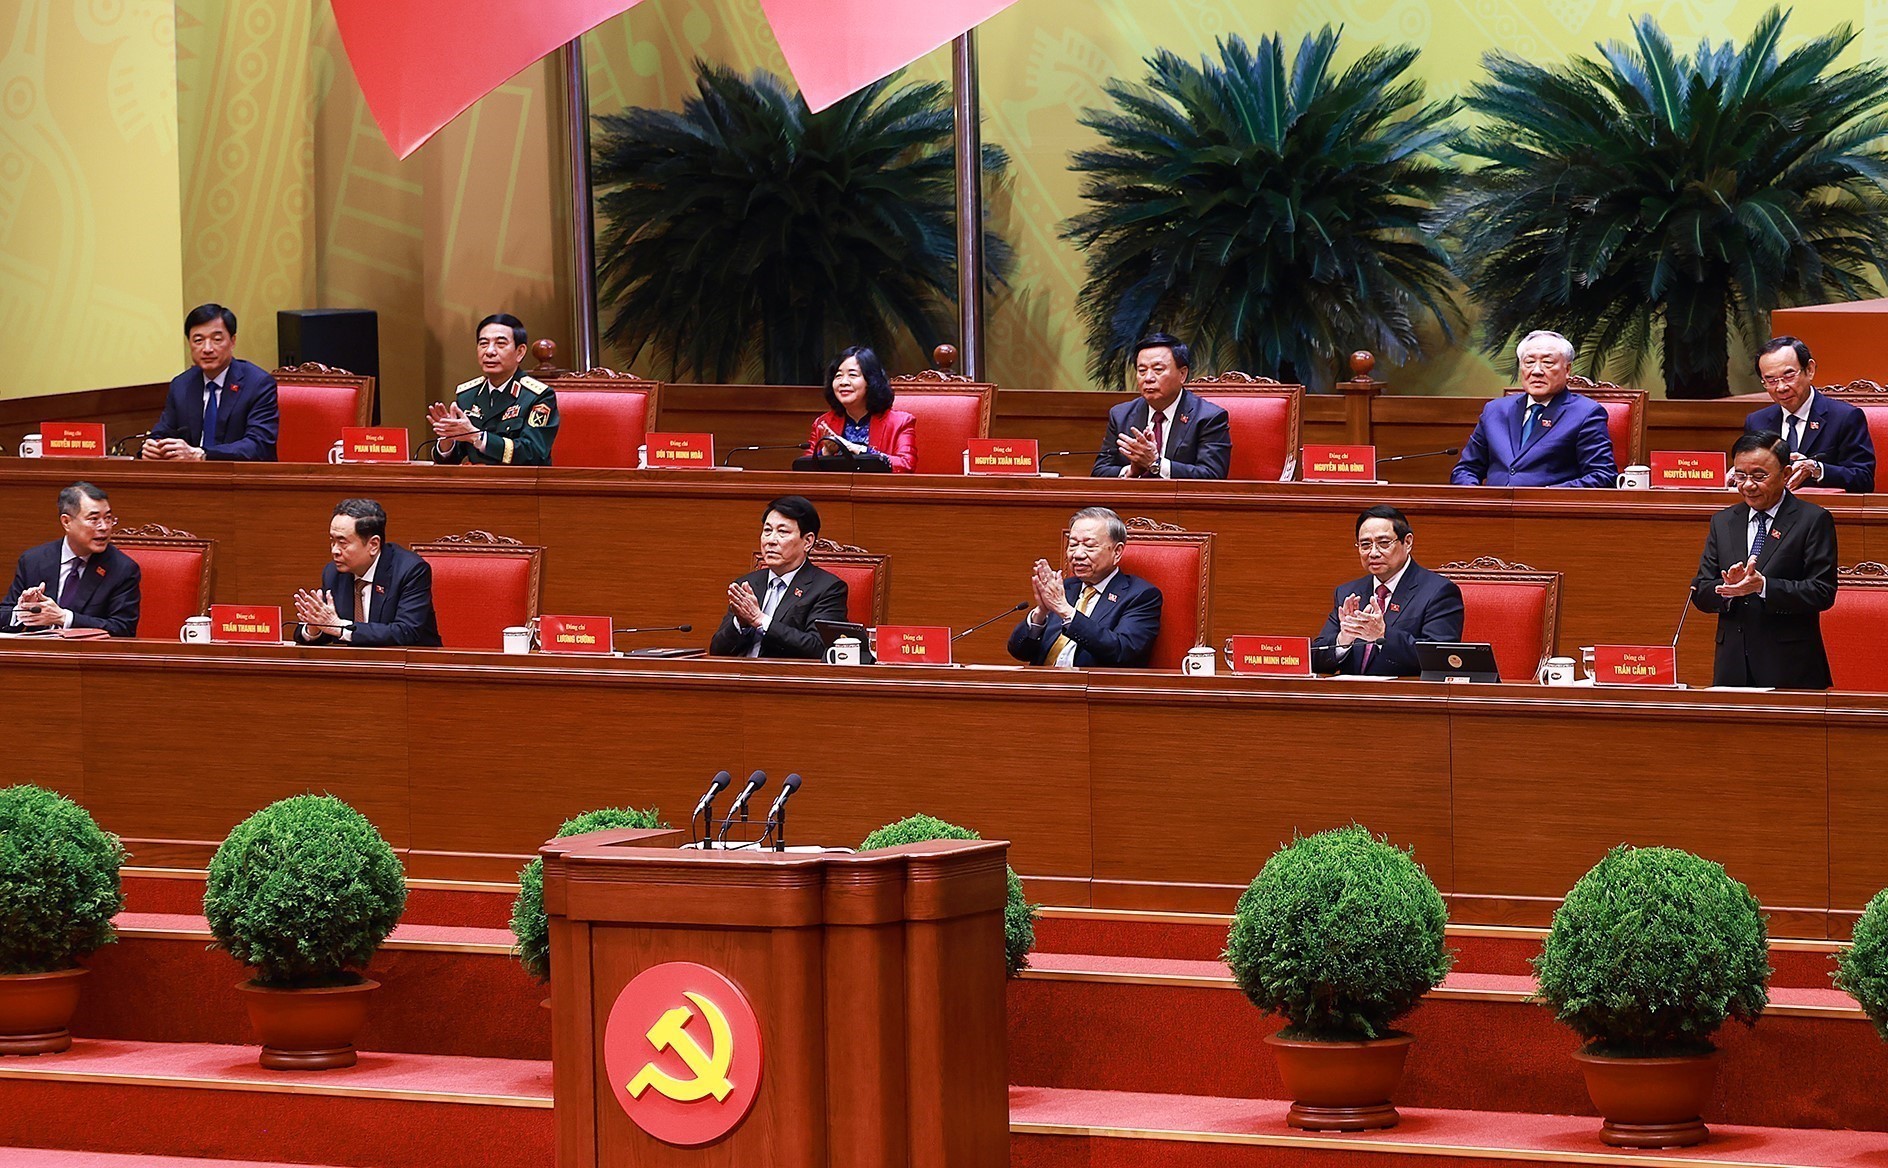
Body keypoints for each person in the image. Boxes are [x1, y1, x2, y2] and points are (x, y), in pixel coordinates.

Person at [1688, 432, 1837, 689]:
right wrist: (1726, 591)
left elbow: (1822, 591)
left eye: (1759, 476)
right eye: (1740, 476)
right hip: (1731, 667)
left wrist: (1763, 586)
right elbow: (1701, 590)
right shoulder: (1723, 521)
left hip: (1790, 666)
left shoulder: (1812, 520)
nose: (1747, 485)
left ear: (1786, 473)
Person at [1311, 504, 1464, 676]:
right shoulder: (1348, 592)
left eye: (1384, 543)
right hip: (1351, 696)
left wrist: (1383, 635)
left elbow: (1441, 659)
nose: (1373, 553)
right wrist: (1343, 640)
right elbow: (1315, 660)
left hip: (1406, 697)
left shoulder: (1439, 592)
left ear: (1407, 542)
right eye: (1365, 545)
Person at [1451, 330, 1616, 488]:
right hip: (1492, 510)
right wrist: (1475, 497)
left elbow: (1602, 475)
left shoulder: (1586, 413)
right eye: (1529, 362)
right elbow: (1466, 469)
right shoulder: (1495, 411)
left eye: (1547, 363)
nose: (1536, 371)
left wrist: (1544, 496)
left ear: (1567, 370)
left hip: (1546, 511)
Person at [1009, 506, 1163, 667]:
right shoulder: (1064, 589)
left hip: (1094, 688)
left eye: (1089, 546)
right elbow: (1018, 651)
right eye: (1073, 545)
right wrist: (1040, 614)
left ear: (1117, 552)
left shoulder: (1140, 596)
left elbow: (1123, 651)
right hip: (1042, 686)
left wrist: (1066, 611)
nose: (1077, 554)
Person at [709, 496, 849, 659]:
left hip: (787, 680)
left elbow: (818, 648)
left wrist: (760, 620)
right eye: (767, 531)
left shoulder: (828, 588)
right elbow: (717, 652)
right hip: (740, 678)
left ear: (808, 541)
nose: (771, 541)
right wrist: (740, 624)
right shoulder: (748, 584)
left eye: (782, 532)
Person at [293, 499, 442, 647]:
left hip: (411, 665)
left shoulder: (410, 570)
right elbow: (330, 628)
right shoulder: (334, 573)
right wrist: (314, 627)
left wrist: (340, 627)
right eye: (332, 541)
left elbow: (405, 631)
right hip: (354, 667)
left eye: (342, 543)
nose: (334, 551)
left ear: (373, 545)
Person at [0, 482, 141, 637]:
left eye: (108, 518)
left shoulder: (122, 569)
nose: (104, 527)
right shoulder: (33, 561)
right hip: (38, 655)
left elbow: (123, 628)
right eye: (94, 519)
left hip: (88, 657)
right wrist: (22, 611)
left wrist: (64, 618)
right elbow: (4, 615)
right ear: (66, 522)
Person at [144, 304, 279, 461]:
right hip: (192, 480)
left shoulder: (258, 384)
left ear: (232, 341)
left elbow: (258, 445)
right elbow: (163, 431)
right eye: (198, 340)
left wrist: (202, 455)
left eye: (216, 339)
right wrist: (152, 446)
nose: (207, 349)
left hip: (244, 479)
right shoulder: (181, 385)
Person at [1742, 336, 1876, 493]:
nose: (1781, 387)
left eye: (1789, 375)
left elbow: (1864, 479)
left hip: (1821, 512)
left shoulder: (1845, 417)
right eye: (1771, 380)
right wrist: (1740, 474)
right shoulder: (1757, 422)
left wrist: (1817, 469)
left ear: (1810, 370)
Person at [1091, 333, 1231, 479]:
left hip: (1181, 500)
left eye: (1158, 370)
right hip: (1132, 499)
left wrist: (1155, 464)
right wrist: (1131, 472)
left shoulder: (1208, 417)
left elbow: (1213, 475)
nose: (1148, 378)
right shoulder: (1121, 415)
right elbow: (1099, 472)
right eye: (1142, 371)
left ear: (1182, 374)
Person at [429, 314, 559, 466]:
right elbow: (453, 459)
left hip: (521, 485)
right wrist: (448, 439)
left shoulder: (538, 396)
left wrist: (476, 436)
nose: (489, 351)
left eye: (500, 344)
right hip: (476, 485)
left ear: (520, 352)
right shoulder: (468, 395)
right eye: (483, 344)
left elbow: (533, 453)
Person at [808, 347, 916, 472]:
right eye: (838, 376)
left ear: (870, 381)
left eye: (852, 375)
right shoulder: (823, 423)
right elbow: (804, 472)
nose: (843, 382)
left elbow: (906, 465)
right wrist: (826, 453)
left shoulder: (900, 422)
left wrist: (858, 449)